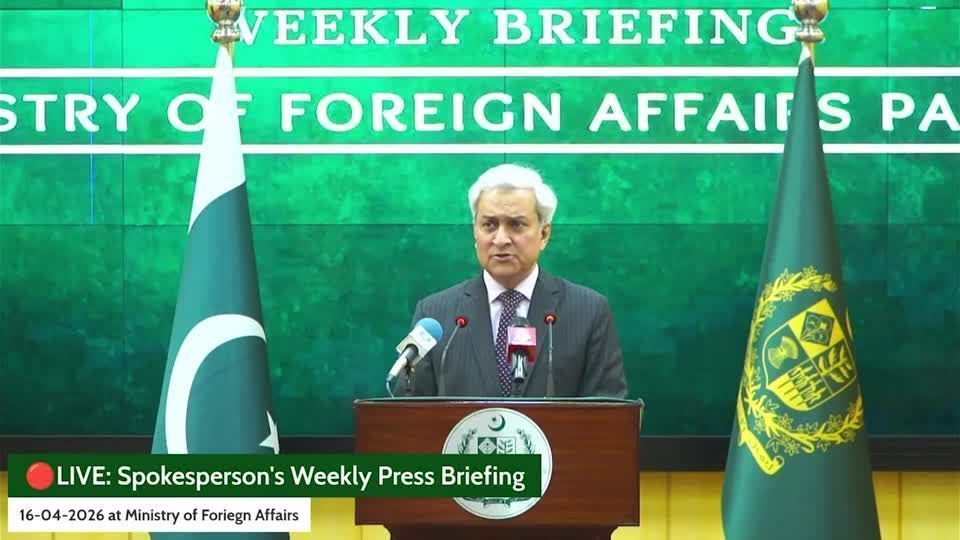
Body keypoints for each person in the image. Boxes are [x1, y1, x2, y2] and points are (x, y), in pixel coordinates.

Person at [403, 163, 628, 398]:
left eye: (516, 225)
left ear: (544, 234)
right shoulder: (433, 316)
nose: (501, 239)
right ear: (475, 232)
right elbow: (407, 408)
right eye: (489, 225)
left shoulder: (589, 312)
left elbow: (607, 409)